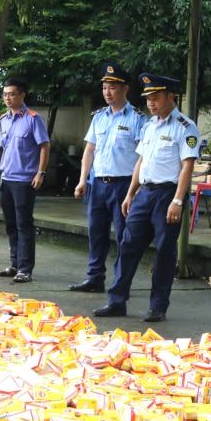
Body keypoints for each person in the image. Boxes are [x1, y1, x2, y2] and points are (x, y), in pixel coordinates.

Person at [94, 73, 199, 321]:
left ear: (170, 97)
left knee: (164, 250)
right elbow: (140, 161)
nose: (151, 103)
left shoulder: (185, 126)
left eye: (156, 98)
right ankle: (116, 301)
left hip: (167, 195)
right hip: (144, 193)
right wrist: (130, 193)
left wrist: (177, 201)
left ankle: (158, 307)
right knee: (127, 246)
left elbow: (187, 166)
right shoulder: (149, 126)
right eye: (148, 99)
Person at [69, 63, 148, 293]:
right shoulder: (99, 118)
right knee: (96, 233)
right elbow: (89, 151)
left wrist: (135, 190)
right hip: (99, 184)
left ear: (125, 89)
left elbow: (143, 157)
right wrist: (82, 180)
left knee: (125, 236)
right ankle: (94, 277)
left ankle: (120, 282)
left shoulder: (138, 119)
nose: (107, 92)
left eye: (112, 87)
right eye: (104, 88)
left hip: (124, 185)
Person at [0, 77, 50, 284]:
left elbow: (44, 145)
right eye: (5, 94)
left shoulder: (33, 119)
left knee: (24, 224)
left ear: (22, 95)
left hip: (24, 179)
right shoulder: (4, 120)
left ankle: (26, 268)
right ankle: (15, 264)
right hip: (6, 178)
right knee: (10, 224)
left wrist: (40, 173)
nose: (7, 98)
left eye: (11, 94)